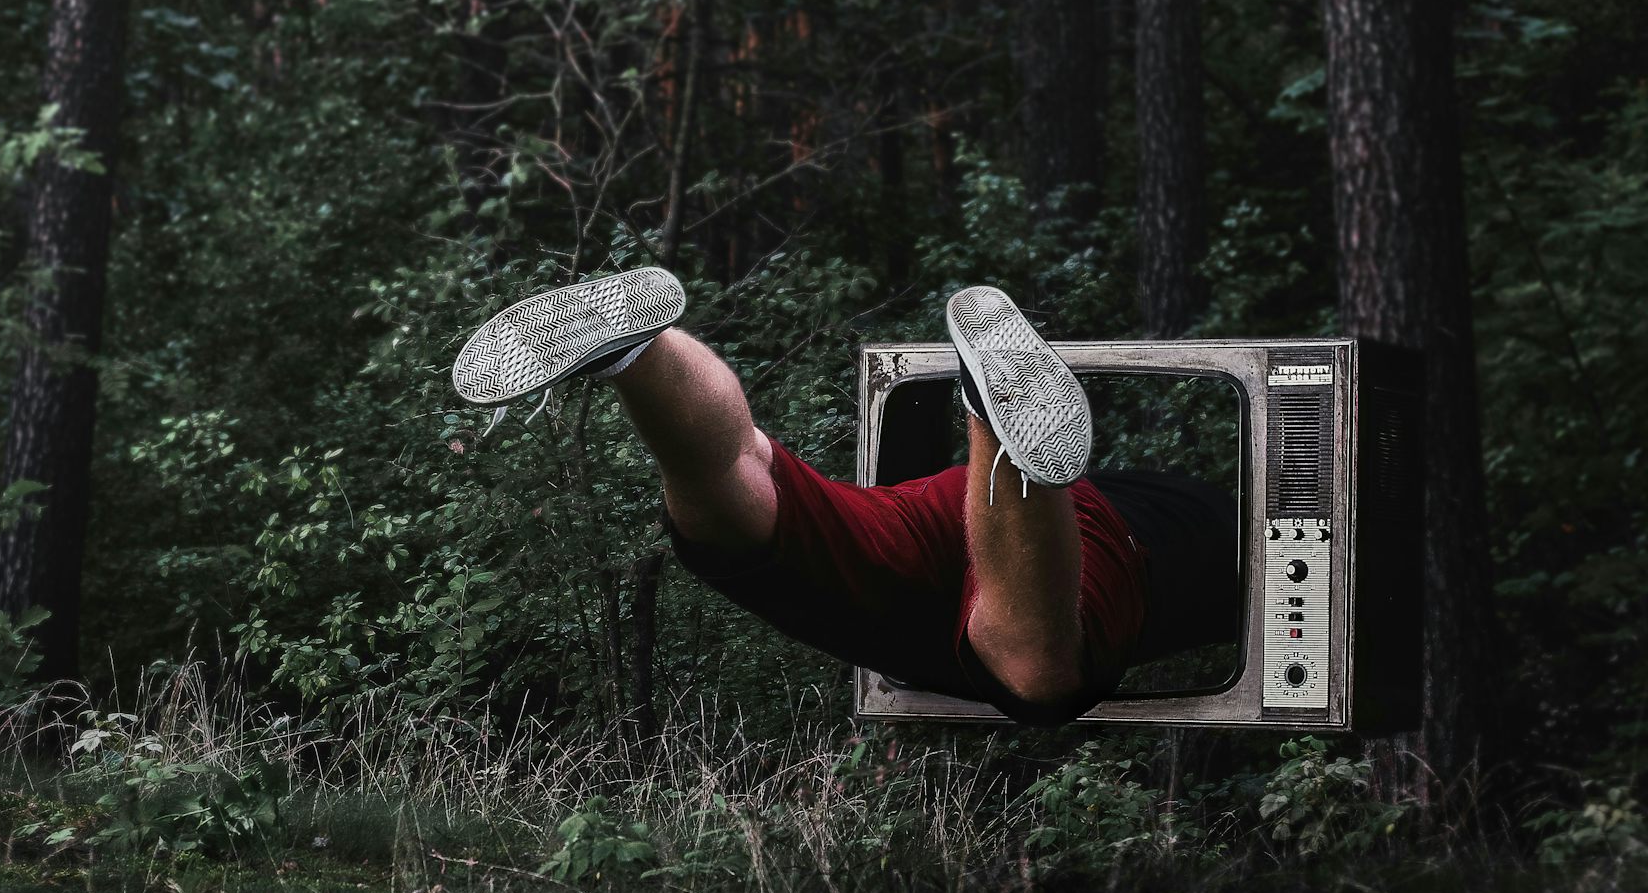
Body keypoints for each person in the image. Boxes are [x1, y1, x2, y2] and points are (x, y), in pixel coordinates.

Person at [451, 267, 1236, 726]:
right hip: (1037, 540)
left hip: (958, 524)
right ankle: (998, 425)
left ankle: (639, 355)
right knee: (1034, 666)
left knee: (752, 509)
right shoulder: (1224, 527)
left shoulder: (1203, 522)